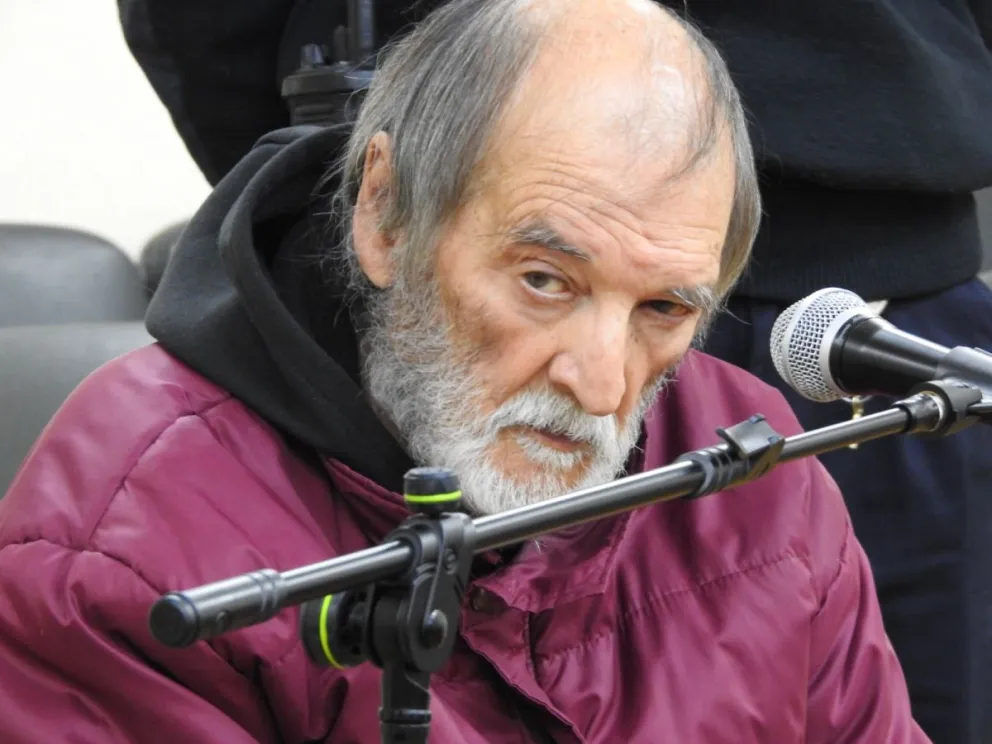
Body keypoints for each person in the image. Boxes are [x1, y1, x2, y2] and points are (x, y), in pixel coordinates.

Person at [1, 0, 927, 740]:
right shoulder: (125, 540)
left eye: (663, 310)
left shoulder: (753, 469)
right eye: (544, 281)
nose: (603, 386)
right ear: (384, 213)